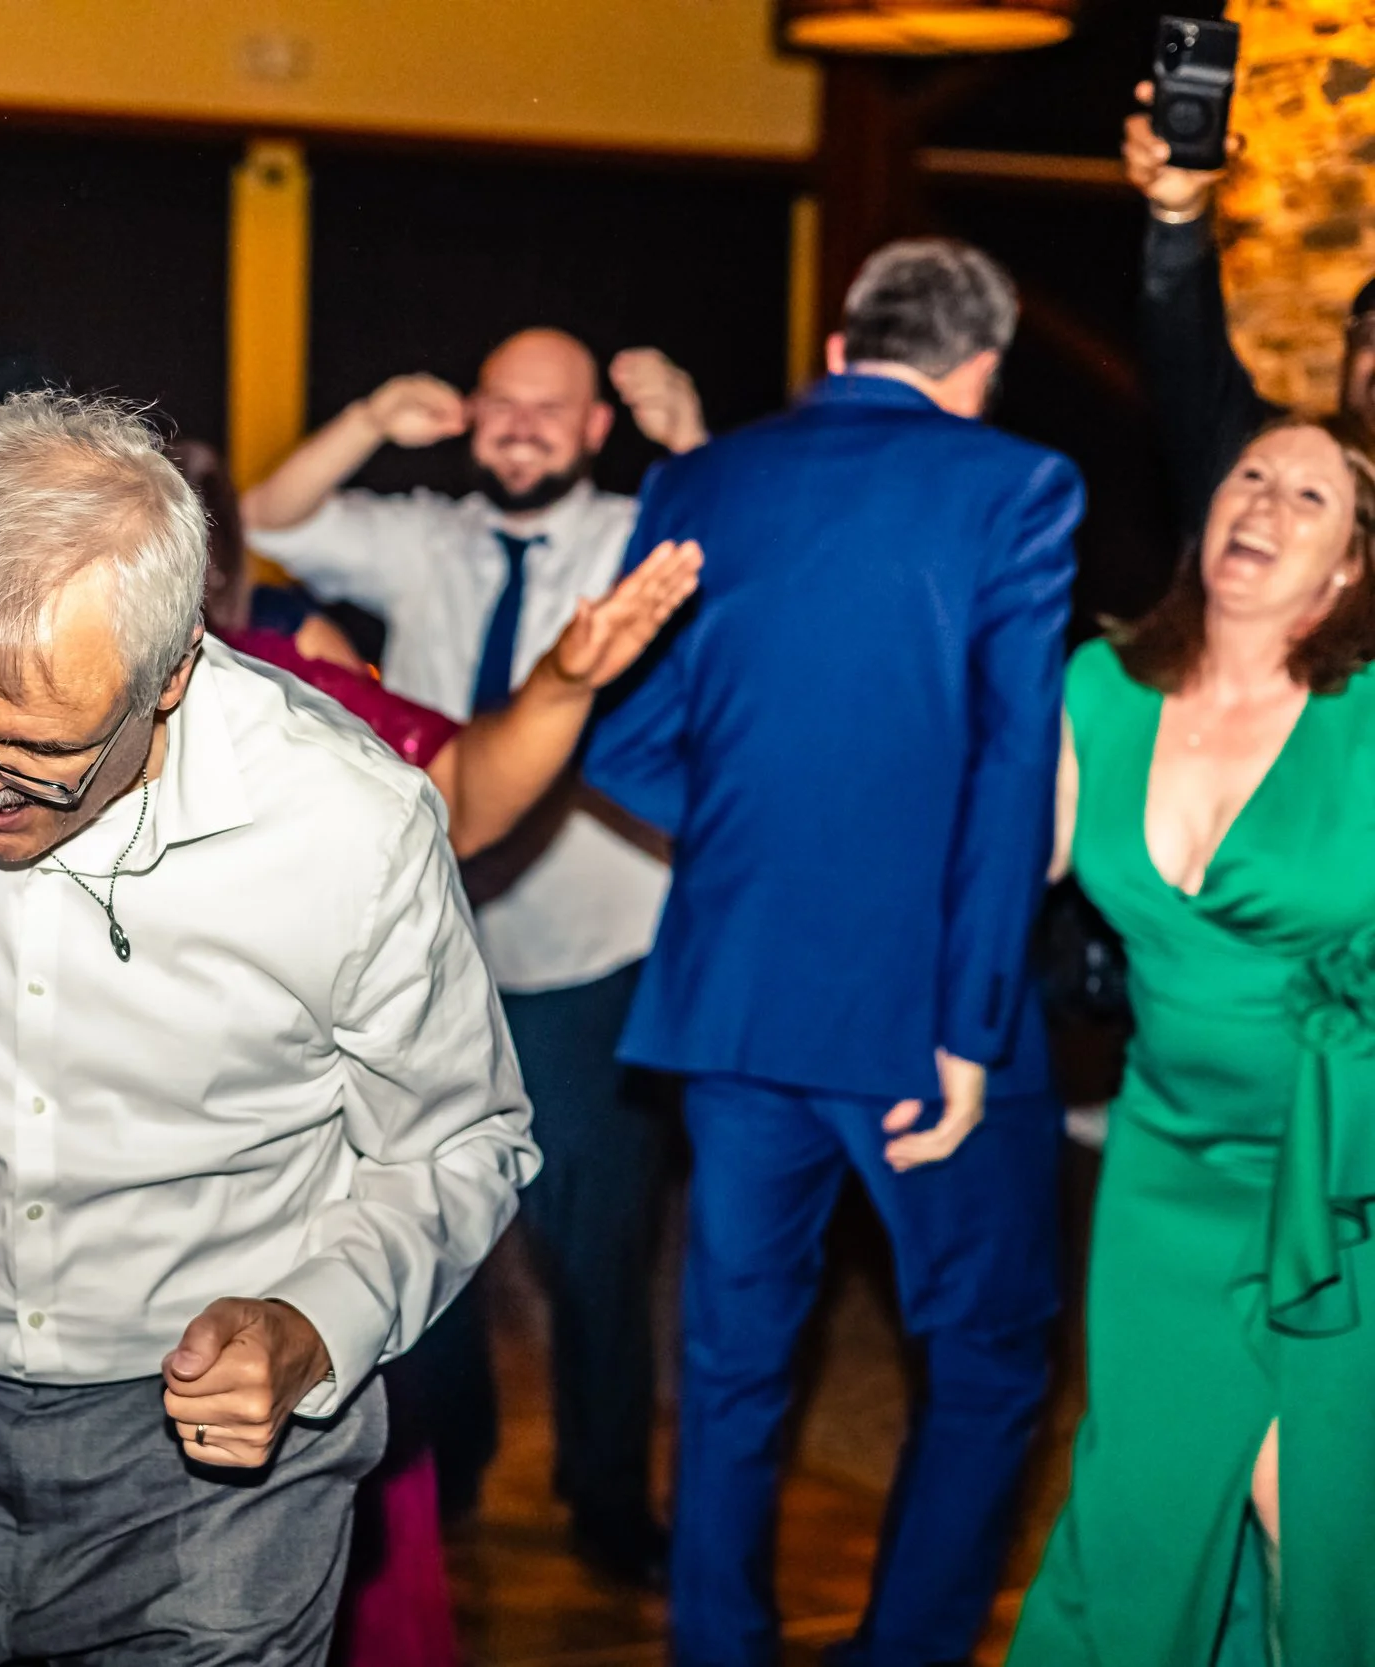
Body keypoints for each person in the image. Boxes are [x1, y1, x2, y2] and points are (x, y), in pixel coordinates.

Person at [0, 391, 536, 1667]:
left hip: (218, 1477)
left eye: (38, 751)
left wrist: (314, 1320)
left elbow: (458, 1144)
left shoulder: (349, 824)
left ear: (171, 672)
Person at [584, 238, 1080, 1667]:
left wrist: (758, 836)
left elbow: (617, 730)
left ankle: (719, 1648)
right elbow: (1011, 762)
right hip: (924, 1010)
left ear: (844, 343)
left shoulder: (703, 479)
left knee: (732, 1364)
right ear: (978, 368)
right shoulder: (1018, 483)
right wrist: (974, 1024)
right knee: (986, 1355)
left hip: (735, 999)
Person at [175, 437, 699, 1665]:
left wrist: (562, 682)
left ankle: (596, 1491)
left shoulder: (284, 687)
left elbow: (458, 786)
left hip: (275, 1189)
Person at [1009, 416, 1375, 1665]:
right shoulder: (1102, 685)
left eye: (1309, 496)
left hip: (1339, 1174)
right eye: (1249, 475)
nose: (1262, 502)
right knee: (1147, 1506)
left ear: (1349, 566)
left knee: (1309, 1514)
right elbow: (992, 876)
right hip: (1165, 1165)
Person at [1123, 79, 1375, 531]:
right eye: (1374, 333)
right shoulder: (1264, 463)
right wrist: (1180, 212)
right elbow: (1188, 356)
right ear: (1347, 349)